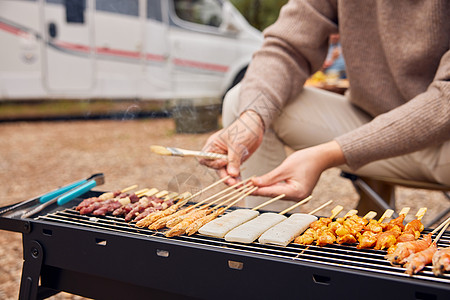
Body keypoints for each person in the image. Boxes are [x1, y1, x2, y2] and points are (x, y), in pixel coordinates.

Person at [200, 0, 450, 210]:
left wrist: (328, 154)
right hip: (373, 122)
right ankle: (273, 247)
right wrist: (253, 117)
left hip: (444, 146)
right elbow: (286, 47)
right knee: (244, 101)